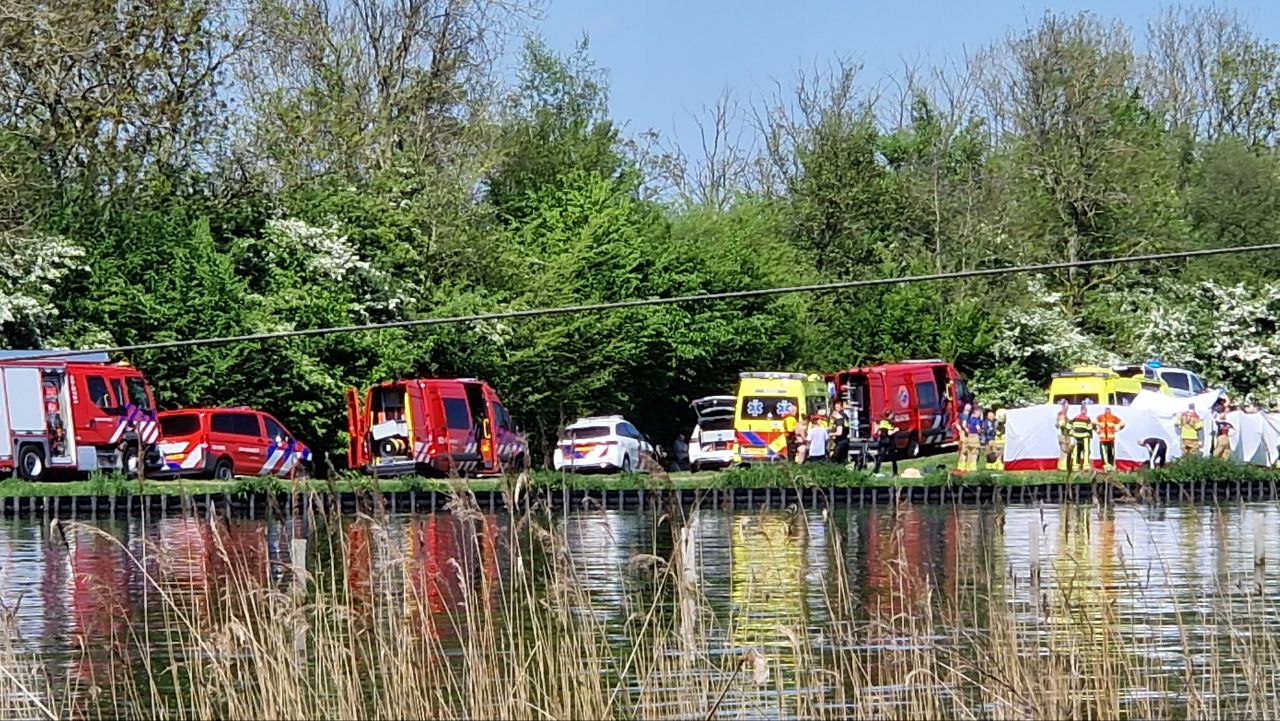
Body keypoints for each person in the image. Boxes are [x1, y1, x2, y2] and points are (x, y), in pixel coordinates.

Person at [1093, 406, 1125, 472]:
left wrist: (1097, 430)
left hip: (1103, 438)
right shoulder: (1113, 417)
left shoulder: (1100, 417)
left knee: (1104, 453)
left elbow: (1093, 423)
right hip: (1110, 438)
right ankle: (1110, 466)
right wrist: (1117, 429)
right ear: (1110, 411)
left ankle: (1106, 466)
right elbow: (1123, 424)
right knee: (1110, 453)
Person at [1067, 406, 1094, 472]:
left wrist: (1070, 433)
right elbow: (1089, 428)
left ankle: (1075, 466)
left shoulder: (1075, 418)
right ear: (1084, 411)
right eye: (1085, 410)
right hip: (1085, 437)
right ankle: (1086, 466)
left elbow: (1068, 425)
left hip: (1076, 437)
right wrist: (1091, 435)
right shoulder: (1087, 419)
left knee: (1076, 451)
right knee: (1086, 451)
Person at [873, 410, 898, 475]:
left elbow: (878, 432)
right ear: (890, 415)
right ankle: (895, 472)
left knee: (880, 457)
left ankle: (876, 471)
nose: (893, 416)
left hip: (882, 441)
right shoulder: (890, 422)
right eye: (892, 415)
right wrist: (895, 430)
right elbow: (889, 433)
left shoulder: (882, 422)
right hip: (889, 442)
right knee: (893, 458)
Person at [962, 403, 983, 472]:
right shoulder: (977, 420)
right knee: (975, 452)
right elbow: (978, 428)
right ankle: (973, 465)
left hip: (969, 436)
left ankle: (968, 465)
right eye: (979, 413)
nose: (980, 414)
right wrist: (980, 431)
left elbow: (965, 425)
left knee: (969, 451)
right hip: (975, 436)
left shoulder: (969, 419)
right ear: (976, 412)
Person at [955, 402, 973, 472]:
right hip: (965, 434)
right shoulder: (965, 415)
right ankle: (964, 465)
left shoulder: (961, 415)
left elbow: (956, 424)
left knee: (962, 449)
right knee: (965, 449)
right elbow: (964, 425)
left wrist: (960, 430)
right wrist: (966, 430)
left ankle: (961, 465)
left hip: (962, 433)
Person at [1055, 399, 1071, 471]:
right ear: (1063, 406)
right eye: (1066, 406)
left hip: (1066, 435)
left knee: (1066, 451)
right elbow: (1061, 424)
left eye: (1067, 406)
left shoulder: (1064, 414)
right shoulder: (1062, 414)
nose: (1067, 408)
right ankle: (1061, 466)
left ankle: (1064, 465)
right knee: (1064, 450)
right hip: (1063, 435)